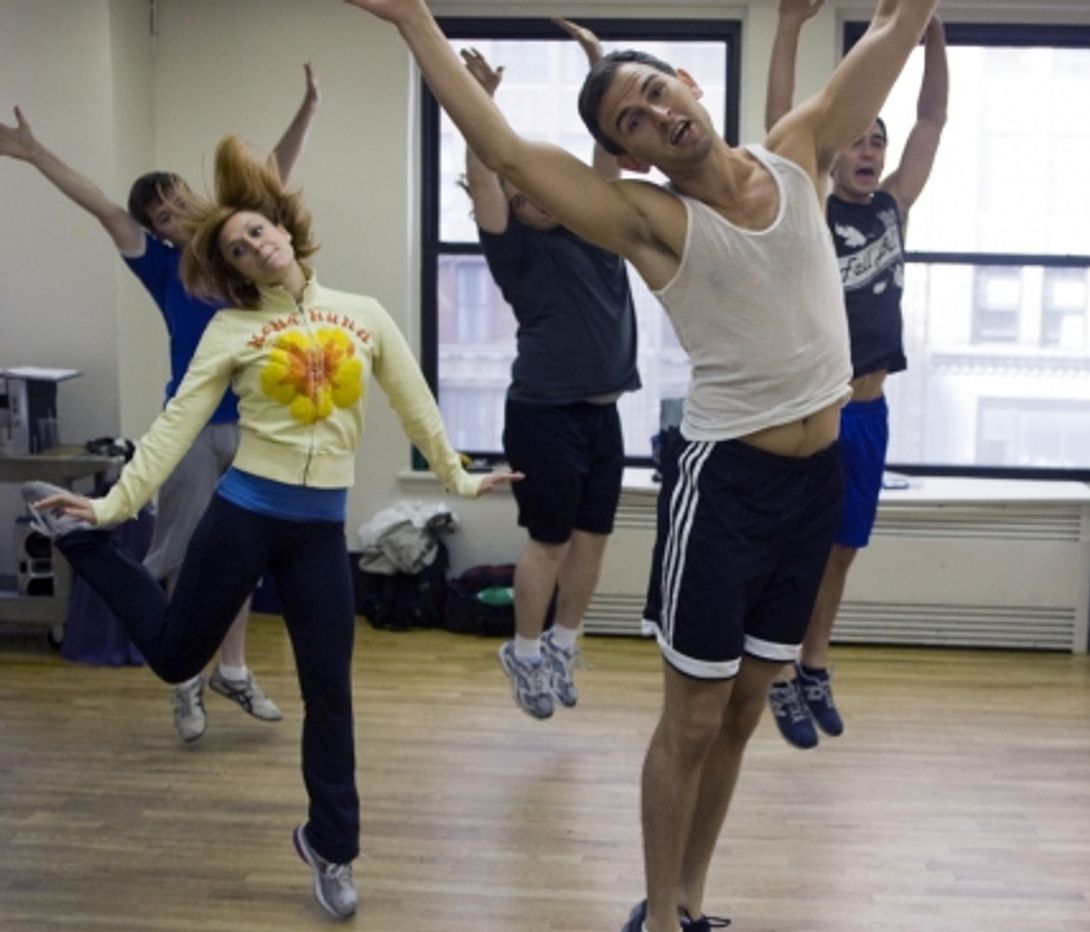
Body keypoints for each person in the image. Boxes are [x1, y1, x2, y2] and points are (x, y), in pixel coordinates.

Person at [347, 2, 939, 930]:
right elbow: (504, 151)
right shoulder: (647, 219)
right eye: (632, 119)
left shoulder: (799, 149)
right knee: (695, 718)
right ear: (632, 156)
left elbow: (895, 32)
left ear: (689, 88)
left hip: (812, 487)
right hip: (726, 487)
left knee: (745, 712)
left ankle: (691, 901)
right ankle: (659, 918)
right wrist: (413, 19)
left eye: (657, 91)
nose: (656, 114)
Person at [23, 134, 520, 922]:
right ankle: (78, 540)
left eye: (259, 229)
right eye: (236, 247)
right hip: (244, 518)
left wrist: (460, 476)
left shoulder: (363, 316)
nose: (254, 244)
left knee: (331, 695)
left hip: (320, 534)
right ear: (235, 270)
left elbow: (415, 403)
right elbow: (176, 426)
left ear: (285, 230)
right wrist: (112, 508)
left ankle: (332, 847)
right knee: (175, 655)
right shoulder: (229, 332)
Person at [0, 65, 320, 742]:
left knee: (244, 552)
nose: (173, 216)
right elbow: (102, 208)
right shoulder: (159, 263)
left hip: (257, 428)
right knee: (183, 557)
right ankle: (185, 683)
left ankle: (231, 670)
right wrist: (34, 155)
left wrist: (308, 107)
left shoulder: (238, 247)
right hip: (195, 430)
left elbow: (273, 174)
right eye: (161, 216)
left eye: (176, 202)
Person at [761, 0, 948, 749]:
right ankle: (774, 671)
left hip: (871, 411)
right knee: (792, 548)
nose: (869, 152)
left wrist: (930, 31)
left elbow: (932, 121)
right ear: (835, 152)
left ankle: (812, 663)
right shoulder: (807, 203)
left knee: (841, 550)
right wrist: (787, 27)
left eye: (879, 141)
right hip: (813, 409)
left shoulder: (894, 209)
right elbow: (782, 125)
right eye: (859, 140)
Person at [459, 21, 640, 721]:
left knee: (593, 538)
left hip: (601, 410)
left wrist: (600, 65)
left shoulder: (599, 223)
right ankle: (525, 651)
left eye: (535, 185)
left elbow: (608, 154)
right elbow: (485, 172)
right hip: (543, 412)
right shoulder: (514, 250)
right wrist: (480, 108)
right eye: (516, 190)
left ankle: (565, 641)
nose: (529, 196)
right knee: (550, 541)